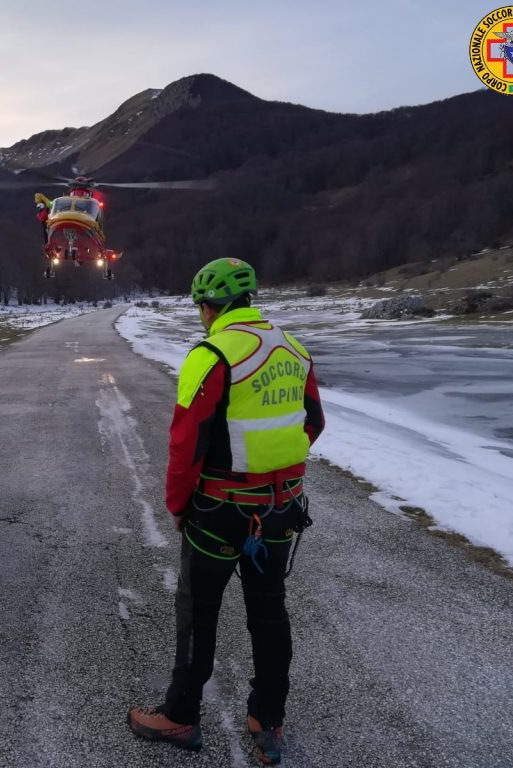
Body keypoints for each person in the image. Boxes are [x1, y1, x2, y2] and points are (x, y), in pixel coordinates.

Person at [127, 258, 325, 766]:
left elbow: (186, 444)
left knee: (198, 612)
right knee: (269, 610)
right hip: (280, 509)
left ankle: (180, 716)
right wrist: (273, 470)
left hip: (219, 508)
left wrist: (177, 506)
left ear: (207, 306)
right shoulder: (294, 349)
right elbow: (313, 422)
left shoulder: (212, 353)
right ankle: (268, 720)